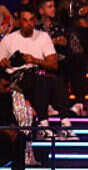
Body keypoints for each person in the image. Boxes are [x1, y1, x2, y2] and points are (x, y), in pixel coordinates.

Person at [0, 8, 75, 139]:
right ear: (19, 21)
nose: (28, 24)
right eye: (25, 20)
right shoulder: (8, 39)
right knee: (44, 79)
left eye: (31, 20)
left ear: (35, 21)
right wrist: (4, 62)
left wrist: (34, 60)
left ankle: (64, 122)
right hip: (18, 77)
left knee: (53, 79)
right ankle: (46, 123)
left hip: (39, 73)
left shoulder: (43, 37)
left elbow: (54, 64)